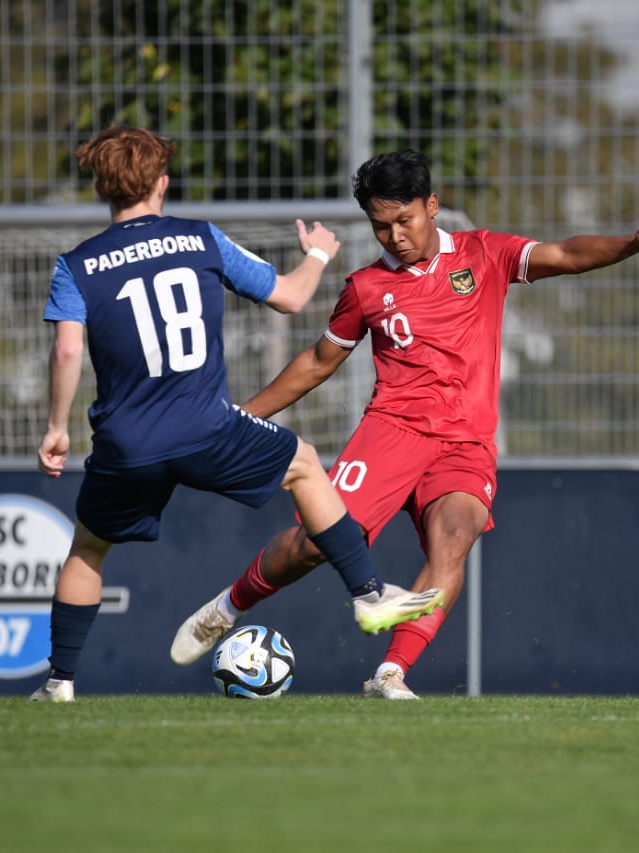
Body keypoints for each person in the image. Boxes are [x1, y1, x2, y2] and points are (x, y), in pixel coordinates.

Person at [170, 148, 639, 699]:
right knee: (315, 545)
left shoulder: (484, 254)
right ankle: (227, 606)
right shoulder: (365, 289)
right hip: (390, 433)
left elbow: (566, 254)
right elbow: (317, 363)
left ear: (432, 205)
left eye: (405, 220)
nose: (395, 235)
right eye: (381, 226)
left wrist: (633, 243)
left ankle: (389, 674)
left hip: (465, 443)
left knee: (454, 537)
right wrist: (236, 417)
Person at [29, 127, 443, 703]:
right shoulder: (199, 239)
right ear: (162, 183)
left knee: (89, 549)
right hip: (206, 426)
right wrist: (320, 253)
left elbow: (68, 349)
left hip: (125, 443)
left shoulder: (76, 266)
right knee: (302, 464)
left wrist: (56, 427)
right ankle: (369, 594)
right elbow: (292, 296)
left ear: (102, 188)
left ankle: (59, 682)